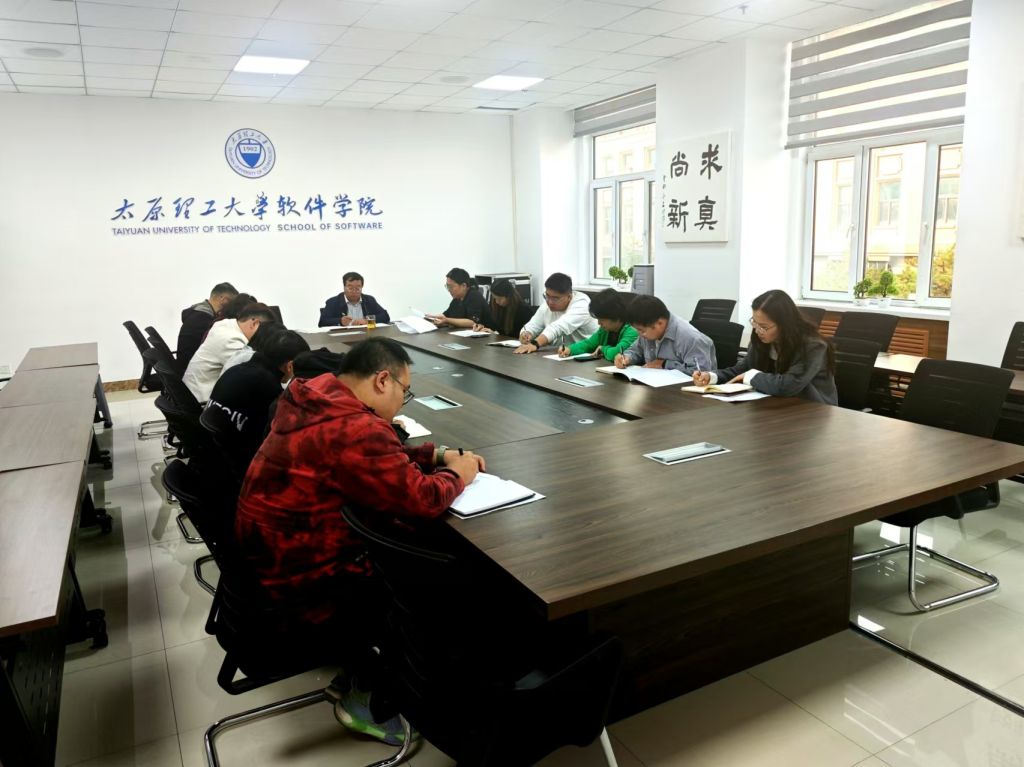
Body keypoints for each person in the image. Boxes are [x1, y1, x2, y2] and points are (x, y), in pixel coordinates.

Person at [234, 337, 484, 743]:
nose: (403, 402)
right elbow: (422, 499)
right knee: (435, 582)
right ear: (383, 380)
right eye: (405, 391)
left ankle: (357, 667)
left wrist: (435, 455)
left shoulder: (313, 396)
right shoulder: (357, 427)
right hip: (304, 580)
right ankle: (367, 697)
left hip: (263, 559)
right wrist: (460, 473)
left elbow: (371, 459)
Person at [692, 289, 838, 404]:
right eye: (754, 323)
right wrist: (712, 377)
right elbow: (743, 369)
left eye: (764, 327)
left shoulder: (813, 346)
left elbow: (788, 385)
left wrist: (751, 376)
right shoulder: (761, 338)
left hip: (812, 410)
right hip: (774, 404)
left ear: (785, 324)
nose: (757, 331)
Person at [205, 329, 311, 479]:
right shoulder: (268, 386)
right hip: (241, 471)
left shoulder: (236, 370)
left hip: (214, 462)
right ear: (290, 366)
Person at [183, 302, 275, 403]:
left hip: (189, 393)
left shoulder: (225, 325)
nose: (264, 338)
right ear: (254, 323)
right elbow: (253, 374)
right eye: (265, 332)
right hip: (199, 403)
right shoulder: (232, 341)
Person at [615, 295, 716, 374]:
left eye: (641, 330)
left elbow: (701, 373)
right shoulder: (647, 331)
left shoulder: (690, 338)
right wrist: (626, 358)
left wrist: (664, 364)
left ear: (660, 323)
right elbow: (635, 351)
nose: (640, 334)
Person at [515, 273, 599, 354]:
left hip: (587, 354)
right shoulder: (547, 305)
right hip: (561, 353)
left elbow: (558, 327)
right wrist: (526, 333)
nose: (550, 302)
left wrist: (535, 344)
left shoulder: (582, 305)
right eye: (547, 296)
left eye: (555, 299)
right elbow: (533, 324)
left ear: (569, 296)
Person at [557, 288, 639, 362]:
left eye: (602, 320)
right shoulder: (605, 330)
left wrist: (603, 349)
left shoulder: (633, 330)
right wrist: (570, 349)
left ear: (615, 316)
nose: (599, 323)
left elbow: (617, 353)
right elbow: (589, 344)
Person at [177, 282, 238, 369]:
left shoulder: (198, 312)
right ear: (223, 299)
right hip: (190, 369)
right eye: (232, 303)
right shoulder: (203, 319)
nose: (232, 308)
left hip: (186, 364)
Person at [318, 272, 391, 327]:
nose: (354, 291)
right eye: (350, 288)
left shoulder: (369, 300)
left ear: (362, 287)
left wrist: (367, 321)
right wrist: (340, 321)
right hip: (342, 338)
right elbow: (322, 322)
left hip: (366, 337)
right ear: (344, 287)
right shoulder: (333, 302)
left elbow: (385, 316)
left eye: (358, 288)